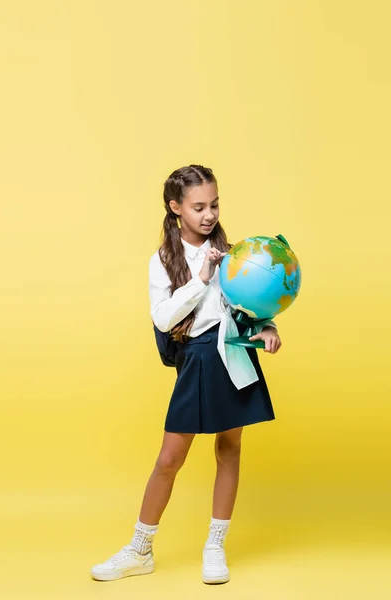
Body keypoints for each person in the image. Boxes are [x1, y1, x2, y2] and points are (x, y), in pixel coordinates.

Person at [90, 164, 282, 585]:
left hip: (233, 357)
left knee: (229, 450)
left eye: (214, 204)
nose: (208, 214)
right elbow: (162, 319)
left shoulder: (236, 254)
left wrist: (267, 326)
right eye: (198, 207)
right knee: (169, 458)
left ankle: (215, 545)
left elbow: (250, 307)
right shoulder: (162, 260)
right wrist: (201, 279)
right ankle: (140, 549)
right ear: (176, 208)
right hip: (196, 360)